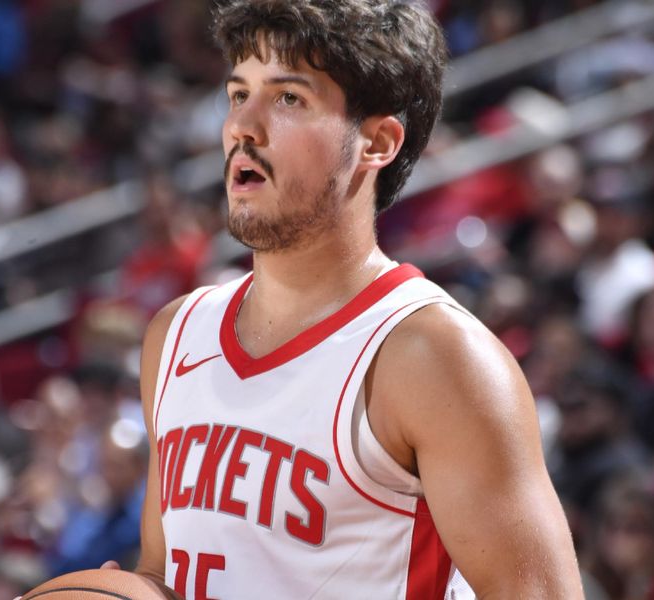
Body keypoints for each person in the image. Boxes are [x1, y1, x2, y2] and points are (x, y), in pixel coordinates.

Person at [103, 1, 583, 598]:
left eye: (287, 99)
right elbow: (161, 572)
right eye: (237, 94)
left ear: (377, 141)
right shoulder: (175, 335)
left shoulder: (435, 357)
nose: (242, 127)